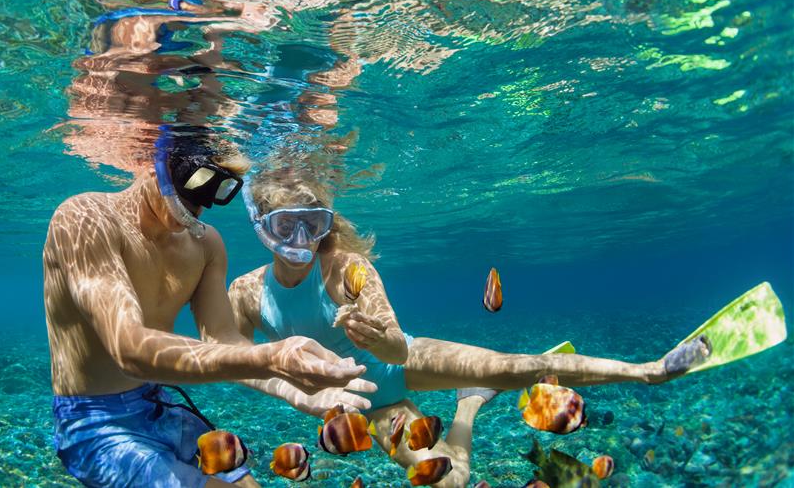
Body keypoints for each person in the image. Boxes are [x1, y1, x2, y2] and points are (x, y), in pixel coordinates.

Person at [226, 166, 711, 487]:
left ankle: (649, 369)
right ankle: (469, 404)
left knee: (521, 366)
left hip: (403, 364)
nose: (302, 239)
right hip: (364, 407)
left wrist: (381, 337)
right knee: (450, 482)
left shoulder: (347, 268)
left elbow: (396, 350)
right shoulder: (245, 293)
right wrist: (296, 391)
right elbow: (230, 362)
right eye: (286, 225)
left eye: (313, 223)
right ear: (261, 225)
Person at [43, 127, 376, 487]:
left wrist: (291, 388)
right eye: (194, 185)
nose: (198, 208)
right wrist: (272, 359)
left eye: (216, 192)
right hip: (95, 420)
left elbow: (223, 340)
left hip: (159, 402)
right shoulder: (85, 218)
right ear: (156, 164)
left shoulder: (206, 245)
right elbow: (129, 348)